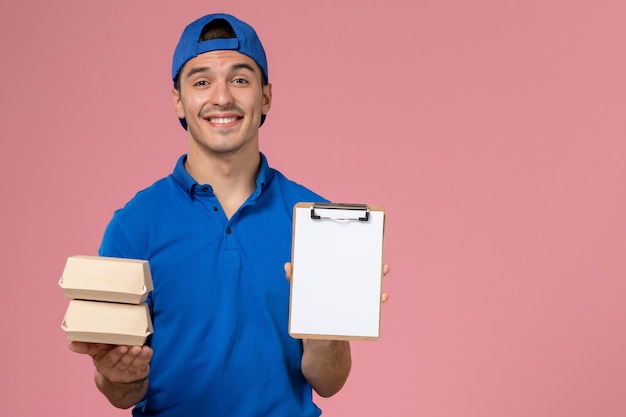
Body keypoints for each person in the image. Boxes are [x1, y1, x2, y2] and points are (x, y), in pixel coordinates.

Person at [69, 12, 389, 417]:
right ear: (178, 100)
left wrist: (330, 324)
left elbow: (329, 382)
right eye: (202, 82)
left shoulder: (316, 222)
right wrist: (117, 373)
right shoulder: (134, 226)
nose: (222, 97)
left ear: (266, 96)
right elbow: (122, 393)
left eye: (240, 79)